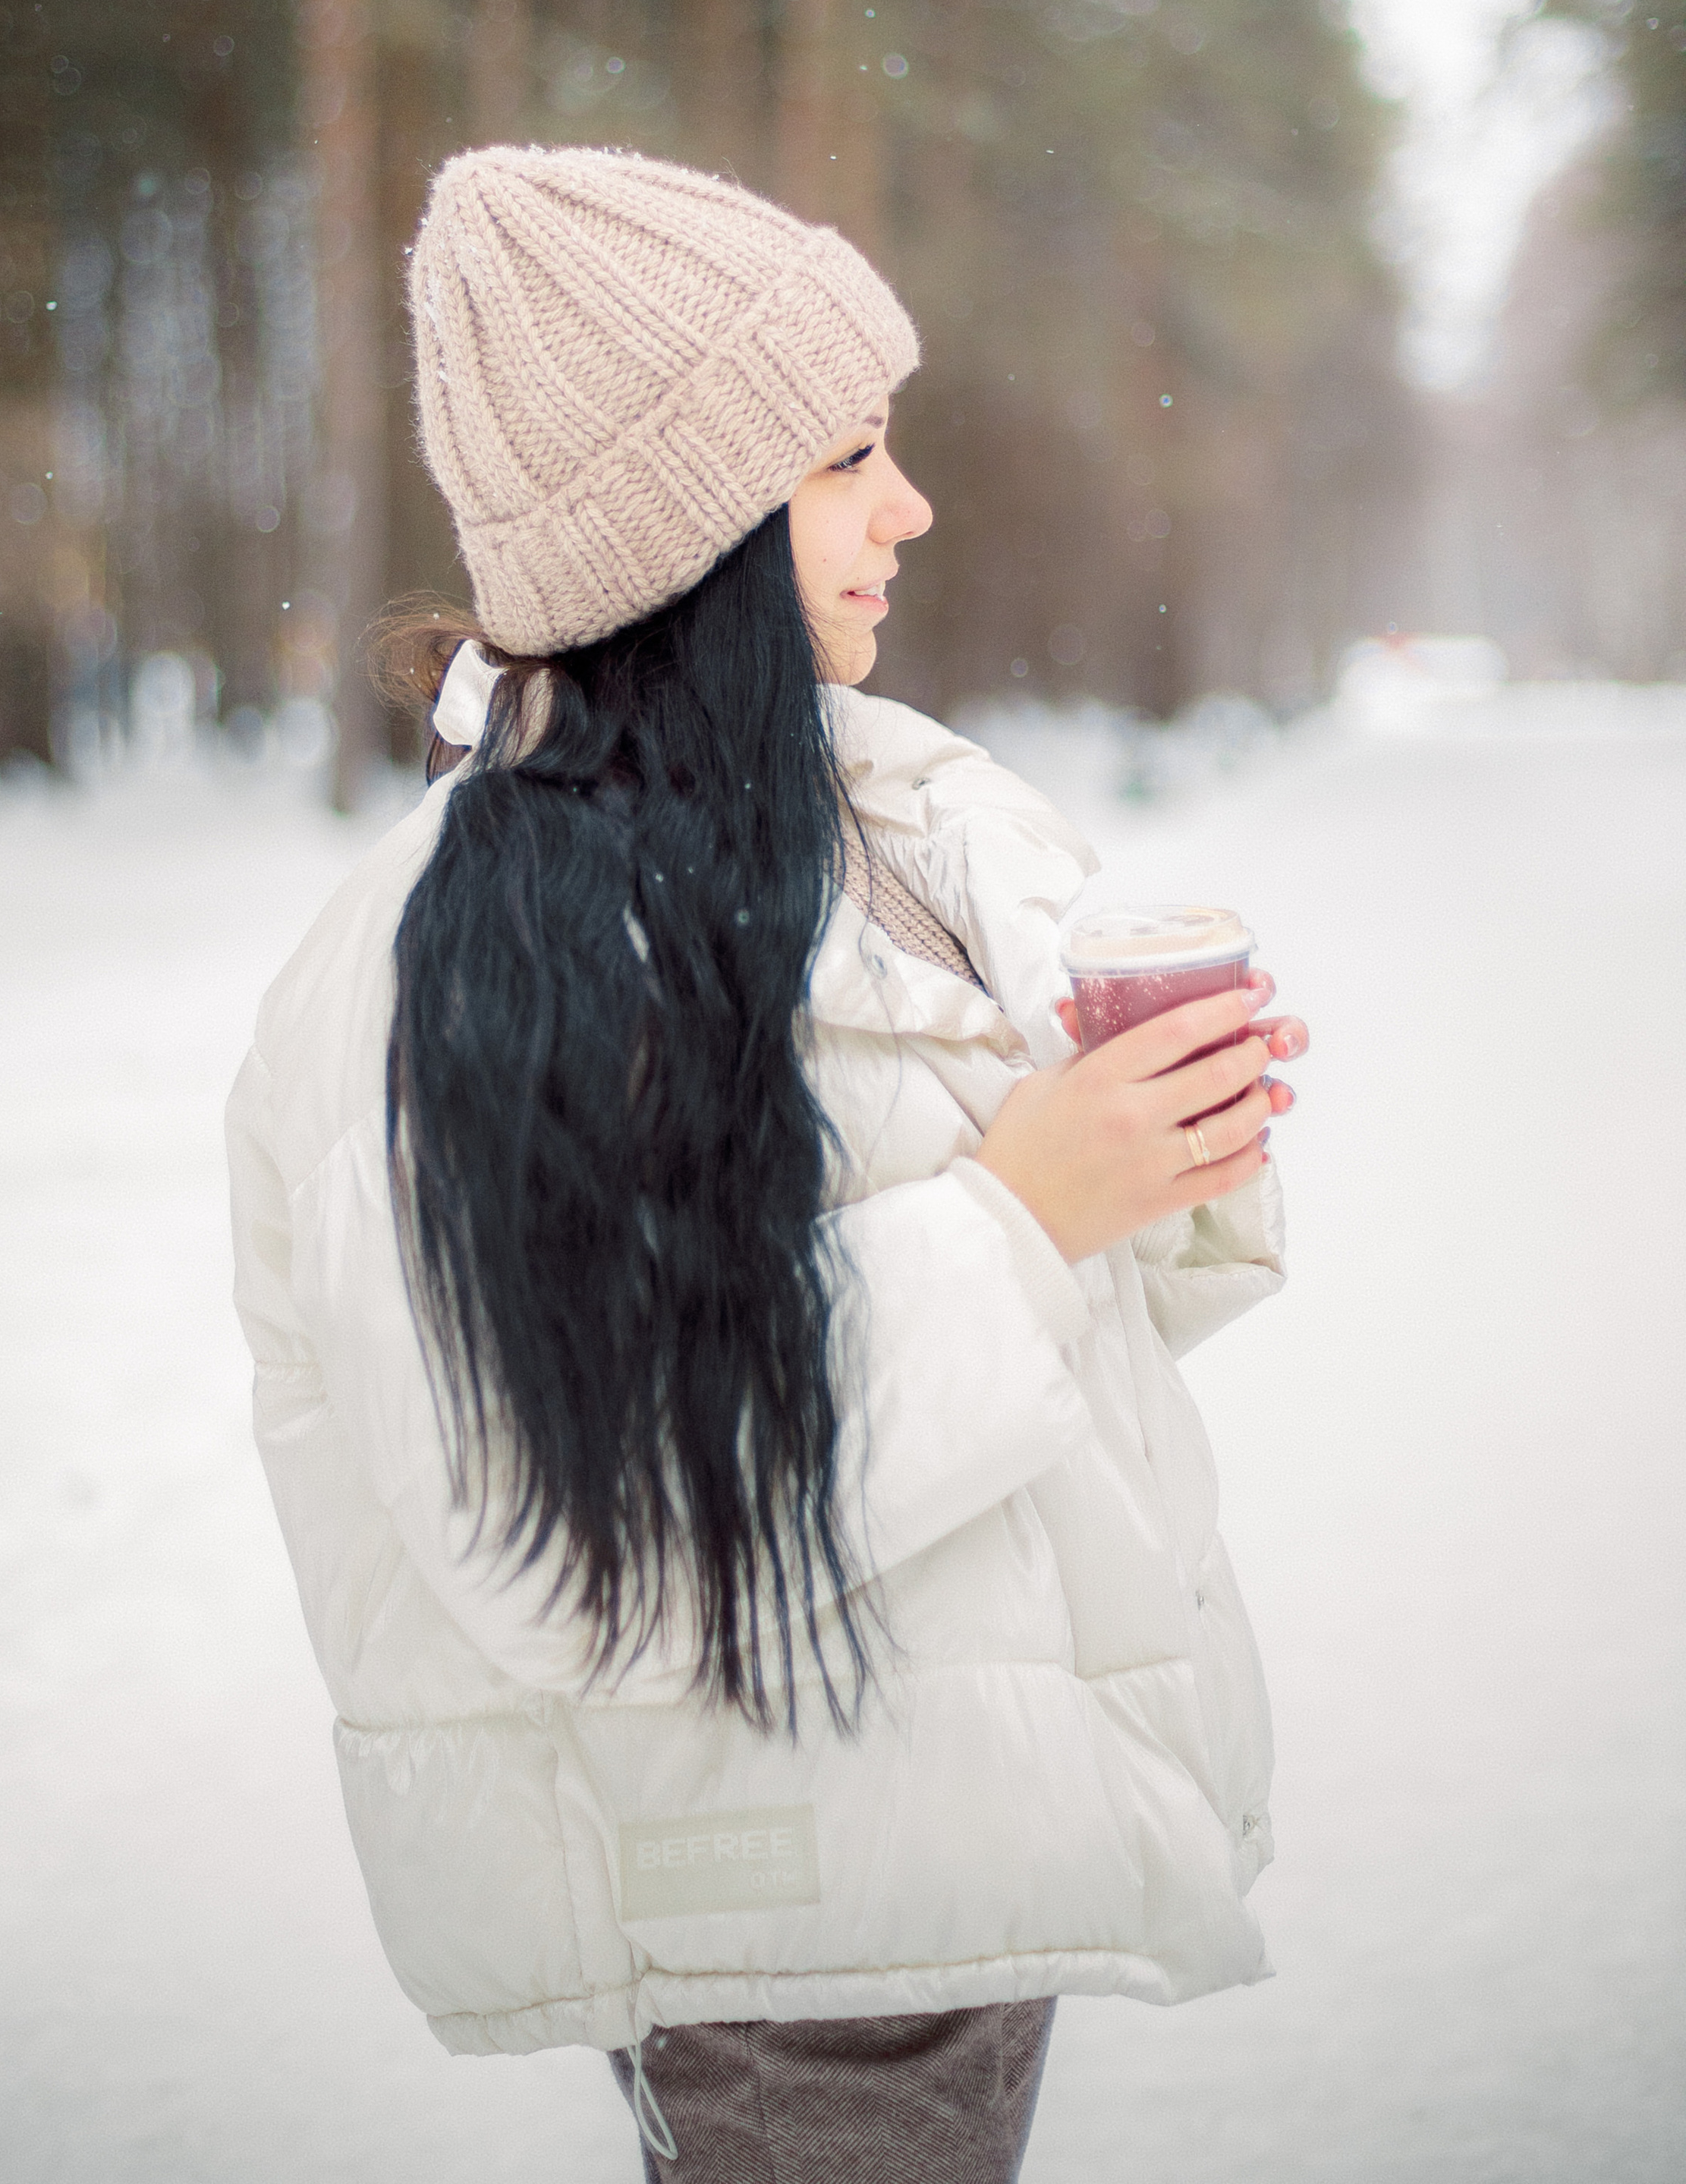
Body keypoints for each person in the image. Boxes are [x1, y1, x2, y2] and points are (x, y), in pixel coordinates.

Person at [227, 145, 1308, 2181]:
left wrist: (1159, 1149)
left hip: (928, 1841)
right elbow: (575, 1539)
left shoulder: (876, 828)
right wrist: (1025, 1211)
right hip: (784, 1933)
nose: (907, 506)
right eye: (843, 457)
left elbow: (1065, 1319)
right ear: (691, 523)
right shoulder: (459, 965)